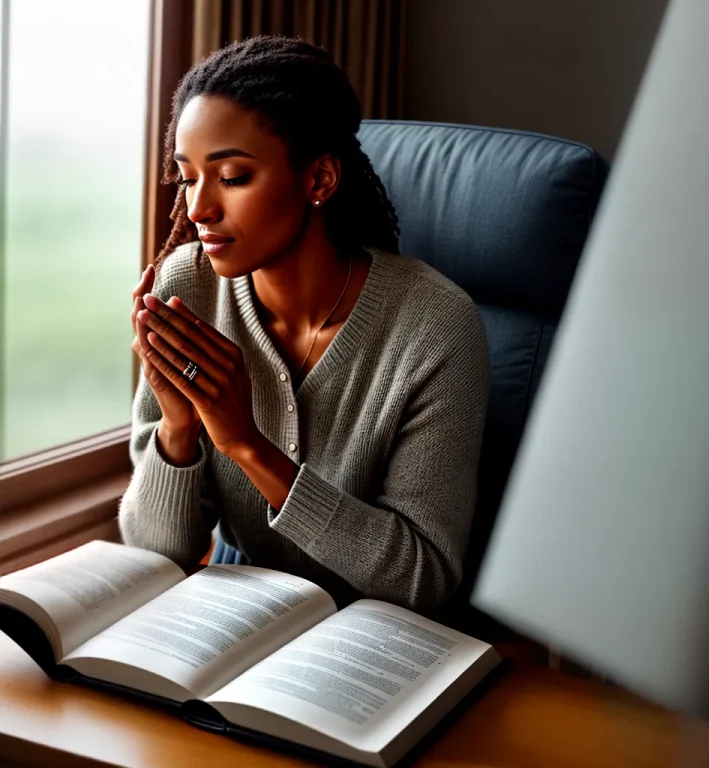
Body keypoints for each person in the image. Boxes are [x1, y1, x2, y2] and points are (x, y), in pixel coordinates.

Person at [119, 36, 490, 614]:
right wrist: (177, 428)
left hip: (384, 641)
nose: (198, 209)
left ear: (318, 180)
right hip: (245, 624)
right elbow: (154, 553)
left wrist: (246, 444)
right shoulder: (186, 291)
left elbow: (424, 577)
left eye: (233, 177)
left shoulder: (435, 325)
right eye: (188, 177)